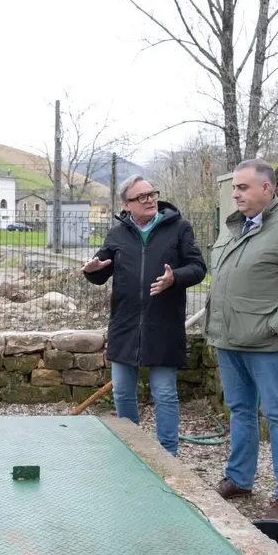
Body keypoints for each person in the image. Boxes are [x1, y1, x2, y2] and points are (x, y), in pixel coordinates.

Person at [204, 158, 278, 521]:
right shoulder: (232, 227)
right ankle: (240, 479)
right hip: (230, 340)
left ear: (266, 189)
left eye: (242, 187)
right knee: (240, 411)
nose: (236, 194)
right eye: (234, 188)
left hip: (268, 344)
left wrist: (274, 325)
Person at [82, 176, 208, 456]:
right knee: (123, 393)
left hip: (163, 324)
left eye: (152, 194)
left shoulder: (178, 228)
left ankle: (168, 455)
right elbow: (101, 271)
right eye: (142, 197)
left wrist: (175, 277)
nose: (150, 199)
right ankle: (131, 450)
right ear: (126, 205)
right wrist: (92, 270)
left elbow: (198, 268)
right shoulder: (116, 234)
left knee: (164, 394)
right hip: (125, 325)